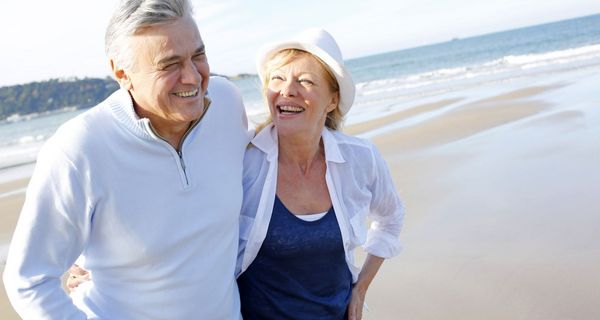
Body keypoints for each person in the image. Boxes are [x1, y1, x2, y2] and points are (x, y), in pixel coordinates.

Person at [2, 0, 250, 319]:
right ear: (123, 74)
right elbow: (29, 281)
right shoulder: (79, 148)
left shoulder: (227, 102)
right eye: (170, 64)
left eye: (198, 55)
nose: (192, 77)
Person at [236, 29, 404, 320]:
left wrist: (361, 289)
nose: (287, 90)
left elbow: (391, 218)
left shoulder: (360, 158)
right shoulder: (243, 161)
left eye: (305, 81)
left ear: (332, 101)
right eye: (277, 78)